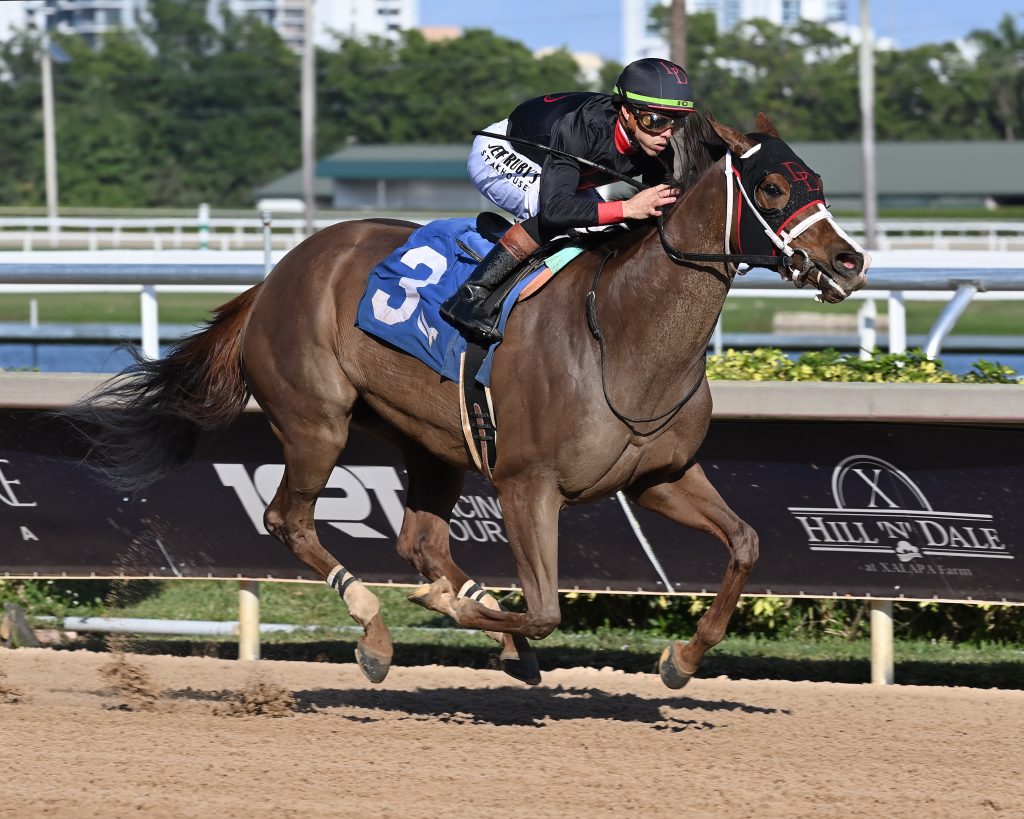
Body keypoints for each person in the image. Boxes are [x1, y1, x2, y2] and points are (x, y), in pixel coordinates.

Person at [440, 57, 695, 344]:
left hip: (555, 170)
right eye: (655, 121)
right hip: (503, 149)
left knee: (602, 228)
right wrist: (627, 207)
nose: (666, 133)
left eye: (676, 123)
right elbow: (555, 210)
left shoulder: (658, 145)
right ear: (626, 112)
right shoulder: (582, 127)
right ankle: (471, 296)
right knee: (561, 218)